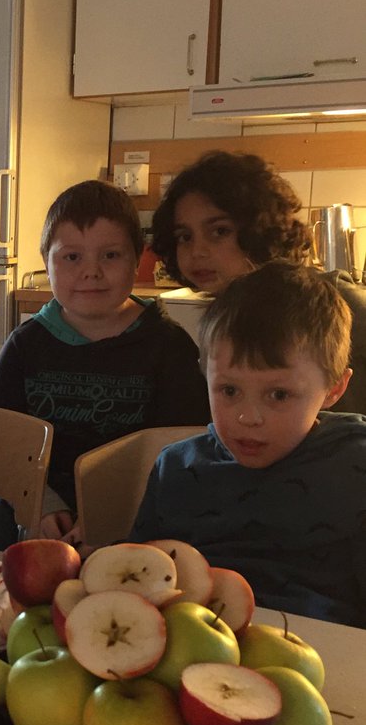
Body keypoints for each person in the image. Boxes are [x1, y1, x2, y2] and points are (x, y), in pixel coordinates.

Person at [130, 261, 366, 627]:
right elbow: (144, 577)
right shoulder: (176, 469)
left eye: (278, 394)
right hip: (197, 646)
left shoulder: (355, 467)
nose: (248, 417)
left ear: (334, 388)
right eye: (229, 390)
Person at [0, 179, 210, 544]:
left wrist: (111, 518)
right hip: (41, 527)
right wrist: (41, 504)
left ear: (137, 259)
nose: (91, 271)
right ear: (47, 261)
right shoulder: (24, 347)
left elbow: (180, 453)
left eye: (110, 255)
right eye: (72, 257)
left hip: (138, 526)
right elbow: (6, 447)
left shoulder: (169, 347)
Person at [150, 149, 366, 412]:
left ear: (260, 229)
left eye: (219, 231)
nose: (197, 251)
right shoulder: (226, 315)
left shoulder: (336, 304)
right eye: (185, 236)